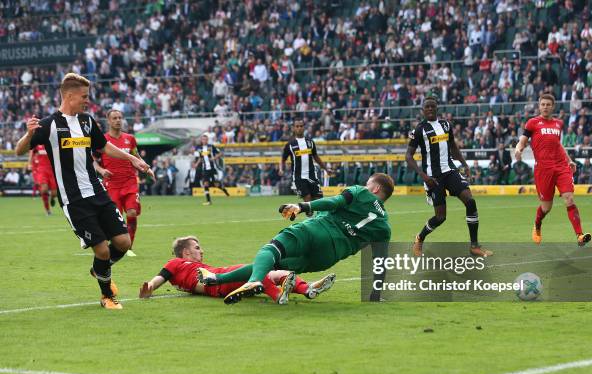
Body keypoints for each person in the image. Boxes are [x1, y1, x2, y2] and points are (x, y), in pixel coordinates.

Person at [14, 73, 150, 310]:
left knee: (123, 243)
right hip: (74, 199)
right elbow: (19, 150)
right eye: (84, 97)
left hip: (97, 192)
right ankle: (107, 295)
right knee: (102, 251)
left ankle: (99, 270)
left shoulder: (87, 121)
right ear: (69, 96)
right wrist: (28, 134)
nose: (88, 101)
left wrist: (133, 159)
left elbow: (104, 146)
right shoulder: (49, 124)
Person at [200, 173, 395, 304]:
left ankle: (254, 281)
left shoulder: (361, 192)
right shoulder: (384, 227)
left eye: (369, 183)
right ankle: (218, 279)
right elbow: (380, 262)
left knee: (271, 250)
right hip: (328, 257)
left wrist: (303, 207)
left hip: (318, 231)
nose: (365, 185)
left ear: (375, 188)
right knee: (273, 266)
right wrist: (375, 295)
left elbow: (335, 201)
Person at [406, 97, 492, 257]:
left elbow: (453, 146)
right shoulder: (418, 130)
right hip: (433, 177)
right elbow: (408, 156)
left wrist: (465, 164)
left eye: (433, 106)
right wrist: (423, 176)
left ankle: (474, 246)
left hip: (450, 171)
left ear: (437, 108)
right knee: (440, 217)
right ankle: (420, 238)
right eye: (427, 107)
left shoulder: (445, 125)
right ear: (422, 110)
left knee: (470, 201)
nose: (430, 109)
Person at [139, 236, 336, 305]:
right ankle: (278, 296)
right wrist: (149, 288)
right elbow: (159, 278)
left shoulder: (197, 266)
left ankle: (307, 289)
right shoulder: (175, 264)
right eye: (197, 248)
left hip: (220, 279)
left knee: (273, 274)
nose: (202, 251)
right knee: (260, 270)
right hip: (219, 282)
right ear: (185, 252)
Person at [515, 94, 591, 246]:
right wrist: (518, 149)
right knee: (546, 207)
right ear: (539, 105)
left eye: (548, 104)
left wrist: (569, 160)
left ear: (553, 107)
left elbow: (557, 144)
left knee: (569, 198)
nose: (545, 107)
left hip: (561, 166)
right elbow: (522, 141)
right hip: (543, 170)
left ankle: (580, 236)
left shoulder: (558, 124)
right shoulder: (532, 123)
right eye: (542, 104)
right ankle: (537, 225)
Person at [93, 110, 154, 257]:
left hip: (130, 182)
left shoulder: (130, 138)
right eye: (114, 118)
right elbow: (92, 160)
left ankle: (129, 247)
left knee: (132, 212)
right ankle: (114, 244)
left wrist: (147, 168)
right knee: (115, 218)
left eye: (120, 117)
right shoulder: (102, 140)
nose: (118, 120)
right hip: (112, 184)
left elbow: (136, 155)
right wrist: (101, 170)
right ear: (108, 120)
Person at [279, 119, 327, 216]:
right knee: (308, 202)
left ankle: (297, 210)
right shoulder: (290, 145)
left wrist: (326, 168)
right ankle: (310, 221)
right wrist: (281, 169)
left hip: (312, 175)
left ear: (304, 127)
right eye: (297, 126)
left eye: (301, 126)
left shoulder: (310, 142)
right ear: (293, 128)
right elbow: (283, 159)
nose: (299, 128)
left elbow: (316, 156)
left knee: (319, 201)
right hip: (299, 177)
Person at [194, 134, 229, 205]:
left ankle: (223, 189)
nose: (204, 141)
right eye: (203, 139)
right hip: (205, 169)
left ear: (207, 140)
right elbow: (201, 158)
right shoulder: (200, 148)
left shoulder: (211, 146)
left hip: (212, 168)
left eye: (206, 139)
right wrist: (197, 164)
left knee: (215, 184)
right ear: (201, 140)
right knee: (205, 184)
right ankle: (208, 201)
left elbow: (220, 154)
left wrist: (213, 158)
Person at [29, 144, 58, 215]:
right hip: (42, 170)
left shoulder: (51, 143)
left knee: (55, 194)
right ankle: (47, 210)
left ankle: (52, 198)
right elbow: (31, 153)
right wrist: (30, 164)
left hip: (52, 170)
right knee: (44, 189)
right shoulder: (37, 144)